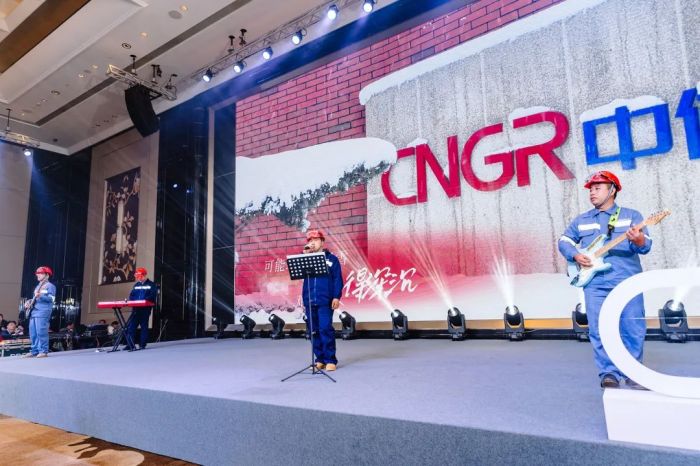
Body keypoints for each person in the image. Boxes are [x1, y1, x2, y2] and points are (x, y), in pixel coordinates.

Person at [558, 171, 651, 389]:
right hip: (595, 284)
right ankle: (608, 373)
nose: (592, 192)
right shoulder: (582, 220)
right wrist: (575, 255)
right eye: (591, 189)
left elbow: (646, 246)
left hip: (627, 281)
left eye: (597, 188)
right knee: (599, 328)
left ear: (612, 190)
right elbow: (564, 240)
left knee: (633, 326)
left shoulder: (631, 216)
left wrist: (638, 239)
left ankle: (633, 371)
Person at [301, 229, 344, 371]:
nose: (312, 243)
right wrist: (305, 254)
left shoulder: (332, 259)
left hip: (325, 300)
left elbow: (337, 279)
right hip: (309, 300)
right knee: (313, 331)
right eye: (310, 240)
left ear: (322, 242)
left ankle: (330, 359)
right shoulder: (305, 259)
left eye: (315, 240)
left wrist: (336, 296)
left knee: (325, 328)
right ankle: (319, 359)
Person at [22, 266, 56, 358]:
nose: (38, 275)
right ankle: (34, 351)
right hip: (34, 312)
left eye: (40, 273)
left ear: (47, 275)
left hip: (43, 312)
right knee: (33, 333)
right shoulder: (38, 286)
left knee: (41, 332)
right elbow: (35, 299)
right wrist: (29, 302)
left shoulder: (50, 286)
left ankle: (43, 351)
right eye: (37, 273)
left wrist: (40, 296)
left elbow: (51, 299)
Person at [125, 267, 157, 351]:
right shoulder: (136, 285)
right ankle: (130, 344)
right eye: (137, 276)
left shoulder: (151, 285)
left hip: (145, 309)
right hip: (136, 308)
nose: (138, 278)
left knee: (144, 326)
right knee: (132, 327)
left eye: (140, 276)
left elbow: (152, 296)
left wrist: (143, 301)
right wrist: (134, 301)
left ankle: (142, 344)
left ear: (144, 275)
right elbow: (132, 295)